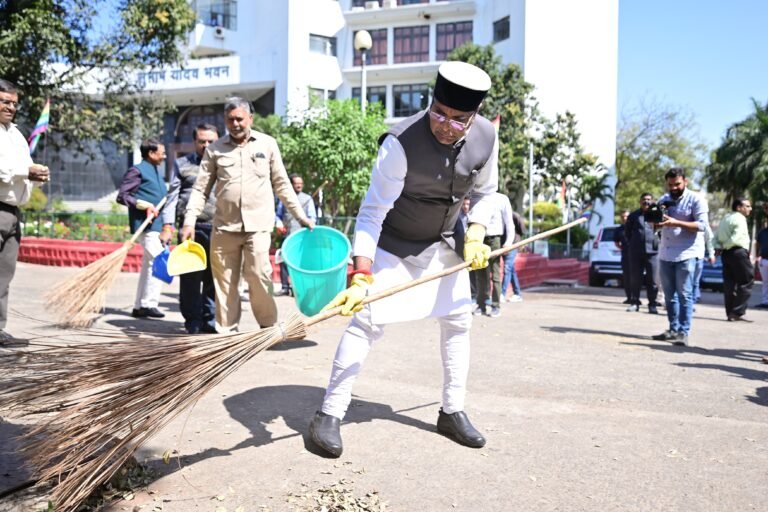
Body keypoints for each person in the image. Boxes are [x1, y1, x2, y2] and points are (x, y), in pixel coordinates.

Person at [308, 61, 498, 457]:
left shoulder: (487, 137)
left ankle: (452, 410)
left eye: (458, 120)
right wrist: (361, 273)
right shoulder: (400, 142)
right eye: (438, 113)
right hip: (394, 244)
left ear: (474, 116)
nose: (445, 125)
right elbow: (372, 212)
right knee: (365, 323)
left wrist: (477, 233)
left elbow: (485, 192)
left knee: (459, 322)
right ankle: (328, 414)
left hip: (446, 243)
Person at [180, 97, 314, 333]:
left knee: (260, 277)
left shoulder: (268, 144)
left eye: (240, 119)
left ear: (250, 118)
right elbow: (200, 189)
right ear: (225, 121)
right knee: (225, 284)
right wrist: (189, 221)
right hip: (224, 228)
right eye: (230, 119)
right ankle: (228, 333)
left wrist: (301, 217)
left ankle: (268, 328)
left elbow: (282, 184)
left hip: (258, 227)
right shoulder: (214, 150)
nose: (235, 124)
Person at [0, 78, 50, 344]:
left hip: (12, 212)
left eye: (14, 103)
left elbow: (23, 166)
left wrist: (35, 174)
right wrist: (25, 171)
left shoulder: (16, 134)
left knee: (4, 275)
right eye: (5, 101)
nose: (10, 107)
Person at [162, 124, 220, 334]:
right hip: (191, 229)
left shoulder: (226, 164)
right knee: (190, 278)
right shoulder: (181, 164)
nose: (206, 145)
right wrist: (167, 225)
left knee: (215, 277)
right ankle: (192, 321)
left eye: (211, 141)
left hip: (219, 229)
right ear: (194, 142)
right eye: (202, 141)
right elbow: (172, 197)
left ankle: (210, 319)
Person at [651, 168, 709, 347]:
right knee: (669, 296)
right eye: (670, 185)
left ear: (685, 181)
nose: (674, 187)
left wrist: (676, 222)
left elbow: (702, 226)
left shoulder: (696, 199)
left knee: (685, 294)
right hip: (666, 253)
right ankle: (672, 329)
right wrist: (655, 223)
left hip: (687, 253)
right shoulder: (664, 200)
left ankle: (683, 332)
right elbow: (657, 227)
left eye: (677, 184)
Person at [116, 138, 168, 319]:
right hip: (145, 226)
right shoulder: (137, 170)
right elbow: (122, 196)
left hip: (156, 226)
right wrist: (142, 204)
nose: (165, 156)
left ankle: (139, 305)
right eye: (162, 152)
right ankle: (149, 304)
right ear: (152, 153)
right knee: (159, 260)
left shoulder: (156, 172)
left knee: (149, 264)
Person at [275, 174, 317, 296]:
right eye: (296, 183)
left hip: (302, 236)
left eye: (301, 183)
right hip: (288, 234)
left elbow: (312, 217)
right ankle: (284, 287)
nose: (299, 185)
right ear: (291, 184)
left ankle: (297, 288)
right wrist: (279, 224)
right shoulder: (284, 198)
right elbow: (278, 215)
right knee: (284, 260)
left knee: (300, 262)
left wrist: (310, 223)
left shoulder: (308, 198)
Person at [714, 197, 754, 322]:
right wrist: (726, 245)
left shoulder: (726, 218)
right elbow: (736, 238)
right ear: (739, 207)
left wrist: (720, 247)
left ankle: (730, 312)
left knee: (730, 284)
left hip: (726, 254)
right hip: (738, 252)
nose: (750, 209)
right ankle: (737, 312)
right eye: (747, 206)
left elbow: (716, 237)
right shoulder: (740, 218)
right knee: (747, 281)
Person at [474, 192, 513, 317]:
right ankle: (481, 304)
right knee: (480, 274)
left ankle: (496, 305)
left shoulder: (501, 199)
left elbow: (509, 222)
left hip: (495, 238)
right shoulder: (477, 196)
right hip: (479, 237)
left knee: (495, 274)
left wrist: (508, 242)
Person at [625, 195, 659, 314]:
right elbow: (627, 233)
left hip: (653, 252)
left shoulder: (657, 214)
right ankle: (634, 303)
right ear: (640, 202)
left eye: (649, 200)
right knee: (635, 279)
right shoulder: (633, 216)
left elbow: (662, 231)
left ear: (653, 201)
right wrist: (633, 243)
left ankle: (652, 305)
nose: (646, 201)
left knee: (653, 280)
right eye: (644, 199)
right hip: (636, 252)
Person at [501, 209, 526, 303]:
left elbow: (522, 229)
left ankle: (502, 294)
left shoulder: (514, 216)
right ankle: (517, 293)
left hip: (513, 244)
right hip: (503, 245)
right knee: (511, 270)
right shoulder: (500, 216)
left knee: (507, 268)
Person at [692, 223, 716, 305]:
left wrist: (711, 254)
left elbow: (710, 239)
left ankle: (692, 302)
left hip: (698, 256)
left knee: (694, 281)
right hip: (681, 255)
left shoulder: (703, 223)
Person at [613, 210, 631, 304]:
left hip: (636, 256)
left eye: (626, 216)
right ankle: (629, 297)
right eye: (623, 216)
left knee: (636, 277)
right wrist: (623, 248)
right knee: (627, 277)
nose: (625, 218)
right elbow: (616, 243)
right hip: (625, 256)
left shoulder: (634, 228)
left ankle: (635, 298)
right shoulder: (619, 229)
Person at [756, 203, 768, 309]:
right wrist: (758, 256)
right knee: (765, 283)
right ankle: (765, 302)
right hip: (764, 260)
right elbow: (758, 244)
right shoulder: (762, 232)